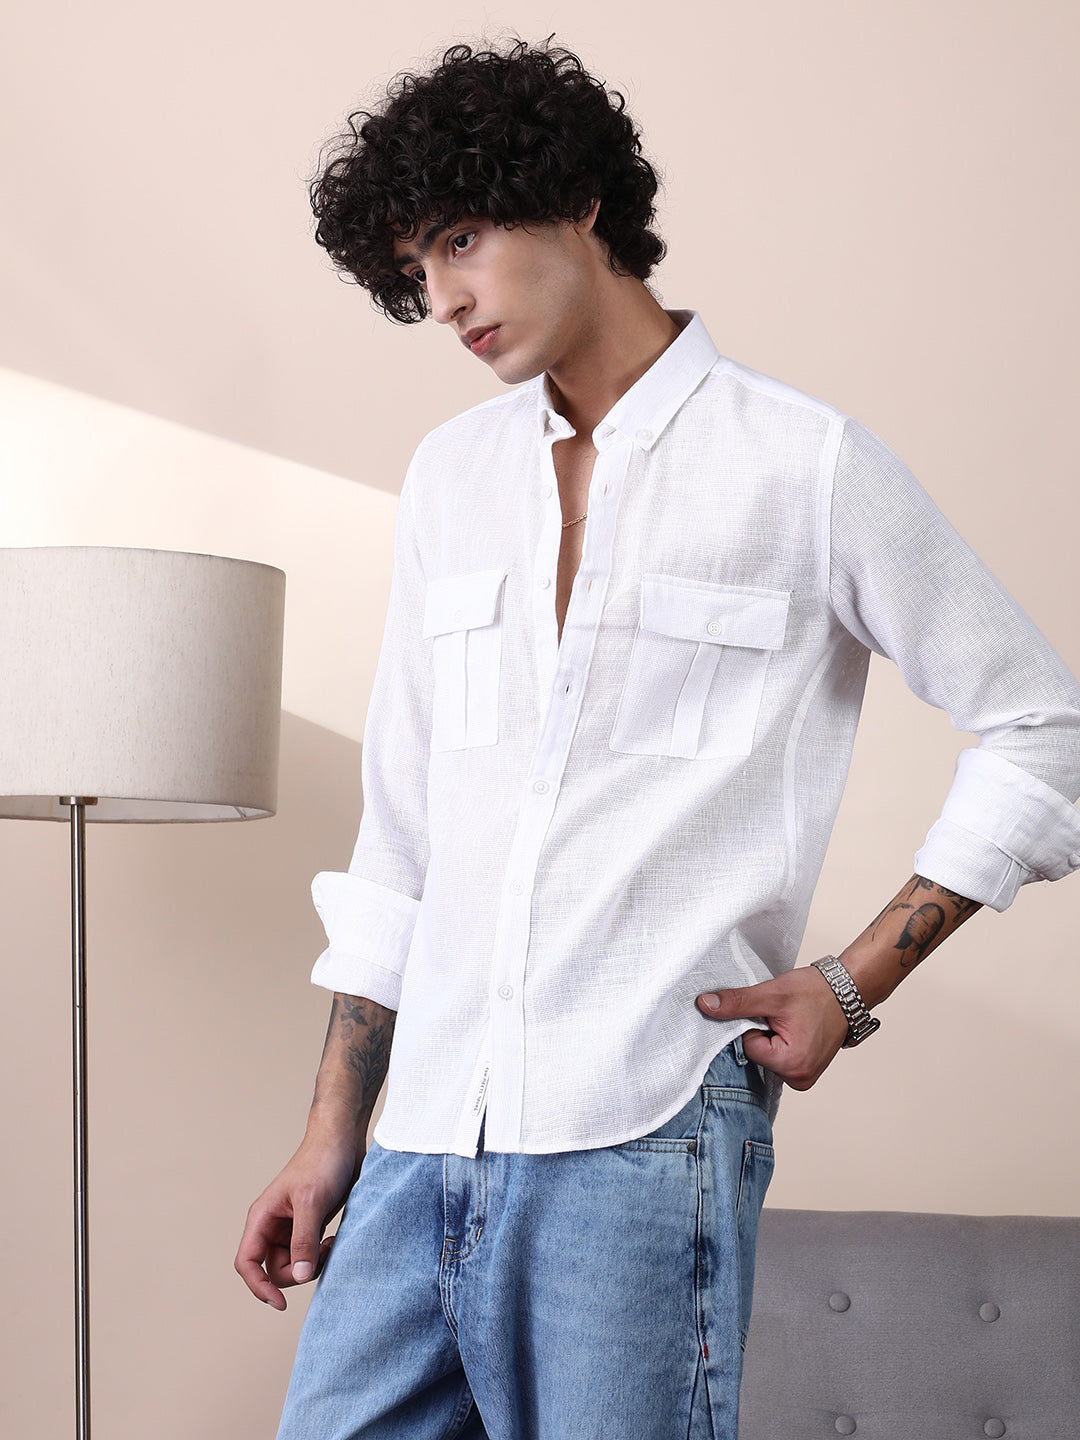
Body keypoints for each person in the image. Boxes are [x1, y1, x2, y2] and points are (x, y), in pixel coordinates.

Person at [235, 39, 1080, 1440]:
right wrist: (334, 1136)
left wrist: (856, 982)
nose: (443, 298)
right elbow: (404, 835)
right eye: (417, 267)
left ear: (578, 200)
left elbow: (1043, 728)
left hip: (641, 1133)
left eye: (461, 239)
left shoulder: (803, 465)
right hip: (424, 1136)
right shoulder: (451, 480)